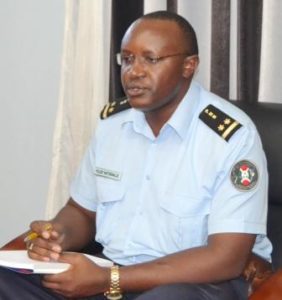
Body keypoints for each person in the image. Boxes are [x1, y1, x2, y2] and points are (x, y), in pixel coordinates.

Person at [0, 10, 272, 300]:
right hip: (111, 271)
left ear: (189, 65)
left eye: (150, 59)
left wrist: (110, 279)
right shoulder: (112, 124)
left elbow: (225, 258)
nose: (134, 71)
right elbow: (82, 211)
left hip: (198, 283)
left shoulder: (231, 136)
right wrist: (57, 236)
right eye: (127, 59)